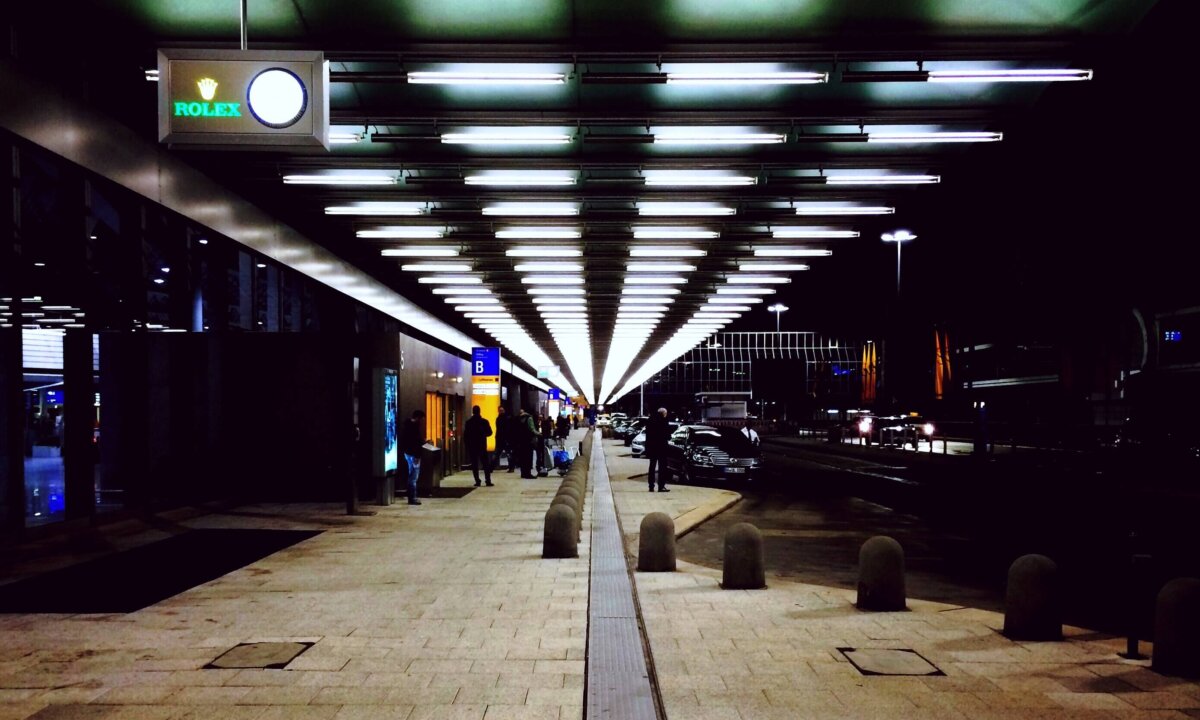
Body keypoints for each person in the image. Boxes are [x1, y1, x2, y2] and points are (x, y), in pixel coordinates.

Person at [463, 405, 494, 487]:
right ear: (480, 411)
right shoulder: (484, 422)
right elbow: (490, 432)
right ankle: (488, 480)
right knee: (485, 463)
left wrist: (468, 444)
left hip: (472, 446)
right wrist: (483, 434)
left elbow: (466, 435)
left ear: (473, 412)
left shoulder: (469, 422)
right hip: (482, 445)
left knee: (474, 464)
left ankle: (477, 481)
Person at [401, 409, 426, 505]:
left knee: (411, 475)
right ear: (418, 418)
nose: (422, 421)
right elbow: (417, 442)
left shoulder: (406, 426)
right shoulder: (414, 427)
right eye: (422, 419)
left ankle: (411, 497)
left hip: (407, 453)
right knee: (413, 477)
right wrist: (417, 456)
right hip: (414, 455)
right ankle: (412, 498)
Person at [644, 407, 670, 493]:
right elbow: (667, 435)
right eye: (665, 414)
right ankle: (661, 486)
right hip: (662, 447)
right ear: (663, 413)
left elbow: (647, 435)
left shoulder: (650, 420)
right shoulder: (663, 421)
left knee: (652, 466)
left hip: (652, 447)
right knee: (662, 467)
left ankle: (651, 486)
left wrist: (647, 448)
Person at [516, 408, 538, 478]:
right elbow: (532, 429)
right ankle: (528, 473)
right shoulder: (529, 418)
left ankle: (523, 473)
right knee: (528, 457)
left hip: (520, 440)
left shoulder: (519, 418)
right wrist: (538, 434)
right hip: (528, 440)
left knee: (522, 457)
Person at [495, 405, 514, 473]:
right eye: (500, 410)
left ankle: (511, 467)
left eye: (502, 410)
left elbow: (506, 429)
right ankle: (511, 467)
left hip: (504, 439)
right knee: (501, 454)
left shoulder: (505, 419)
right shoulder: (500, 419)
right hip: (502, 439)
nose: (501, 412)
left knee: (502, 454)